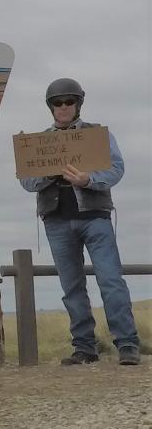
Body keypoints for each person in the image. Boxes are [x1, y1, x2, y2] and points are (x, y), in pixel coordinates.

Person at [19, 78, 141, 366]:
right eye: (57, 103)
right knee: (71, 286)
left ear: (78, 104)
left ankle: (127, 343)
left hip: (94, 216)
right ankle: (85, 347)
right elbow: (26, 181)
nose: (63, 107)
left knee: (110, 280)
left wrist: (89, 179)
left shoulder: (96, 135)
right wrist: (47, 174)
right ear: (51, 107)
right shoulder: (39, 142)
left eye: (69, 101)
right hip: (57, 220)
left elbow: (117, 168)